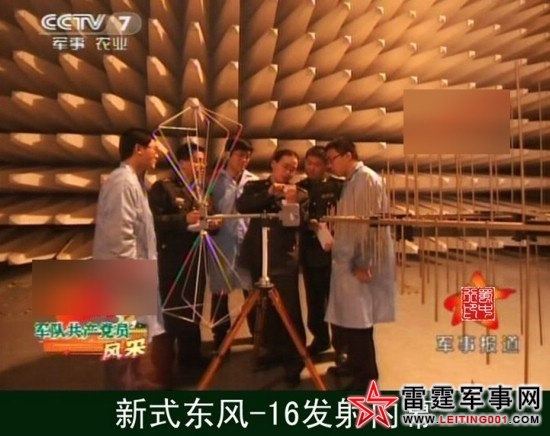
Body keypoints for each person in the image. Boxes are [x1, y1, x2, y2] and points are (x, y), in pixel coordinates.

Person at [92, 128, 165, 390]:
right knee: (120, 342)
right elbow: (120, 236)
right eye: (154, 148)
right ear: (138, 149)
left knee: (134, 332)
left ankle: (136, 381)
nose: (157, 154)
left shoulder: (133, 181)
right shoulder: (122, 183)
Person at [324, 137, 396, 391]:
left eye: (332, 159)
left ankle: (366, 377)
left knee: (360, 322)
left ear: (348, 155)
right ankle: (355, 365)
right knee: (351, 319)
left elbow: (371, 225)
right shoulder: (353, 180)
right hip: (349, 261)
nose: (329, 165)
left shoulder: (366, 179)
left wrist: (366, 263)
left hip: (360, 262)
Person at [236, 149, 308, 387]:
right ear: (273, 163)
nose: (289, 172)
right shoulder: (255, 187)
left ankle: (295, 361)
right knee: (263, 310)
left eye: (293, 168)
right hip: (257, 256)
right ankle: (273, 350)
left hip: (283, 260)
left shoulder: (300, 193)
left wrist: (291, 203)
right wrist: (269, 193)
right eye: (286, 166)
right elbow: (243, 206)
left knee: (289, 310)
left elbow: (298, 224)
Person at [148, 142, 218, 386]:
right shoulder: (163, 188)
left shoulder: (204, 190)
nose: (202, 165)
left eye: (203, 161)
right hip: (172, 261)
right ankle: (164, 368)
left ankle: (190, 356)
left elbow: (210, 217)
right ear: (182, 163)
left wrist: (214, 224)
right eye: (197, 160)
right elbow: (153, 223)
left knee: (193, 308)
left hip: (197, 259)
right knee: (171, 312)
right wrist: (184, 219)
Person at [209, 138, 259, 350]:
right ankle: (220, 338)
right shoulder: (214, 181)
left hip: (247, 243)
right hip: (222, 243)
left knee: (252, 292)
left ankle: (257, 336)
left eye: (247, 156)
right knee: (220, 293)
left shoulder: (253, 181)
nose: (243, 160)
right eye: (239, 155)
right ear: (228, 155)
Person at [296, 146, 343, 357]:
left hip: (335, 252)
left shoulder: (338, 186)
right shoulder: (299, 187)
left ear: (326, 166)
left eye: (316, 164)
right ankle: (320, 339)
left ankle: (342, 346)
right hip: (310, 251)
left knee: (336, 301)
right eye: (308, 163)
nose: (311, 168)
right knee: (314, 301)